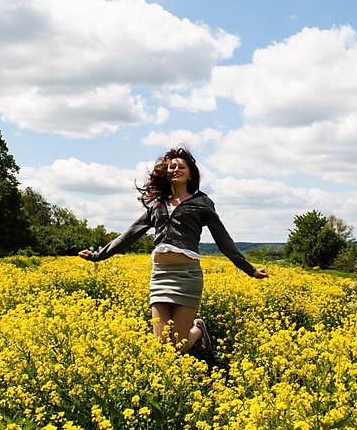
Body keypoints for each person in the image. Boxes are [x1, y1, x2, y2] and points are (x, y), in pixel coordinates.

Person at [78, 147, 268, 355]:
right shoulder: (158, 205)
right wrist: (98, 256)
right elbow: (131, 233)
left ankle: (198, 331)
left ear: (191, 173)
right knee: (162, 347)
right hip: (160, 276)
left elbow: (223, 240)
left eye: (181, 167)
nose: (175, 169)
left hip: (187, 276)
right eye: (171, 167)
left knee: (178, 346)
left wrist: (250, 270)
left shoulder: (202, 204)